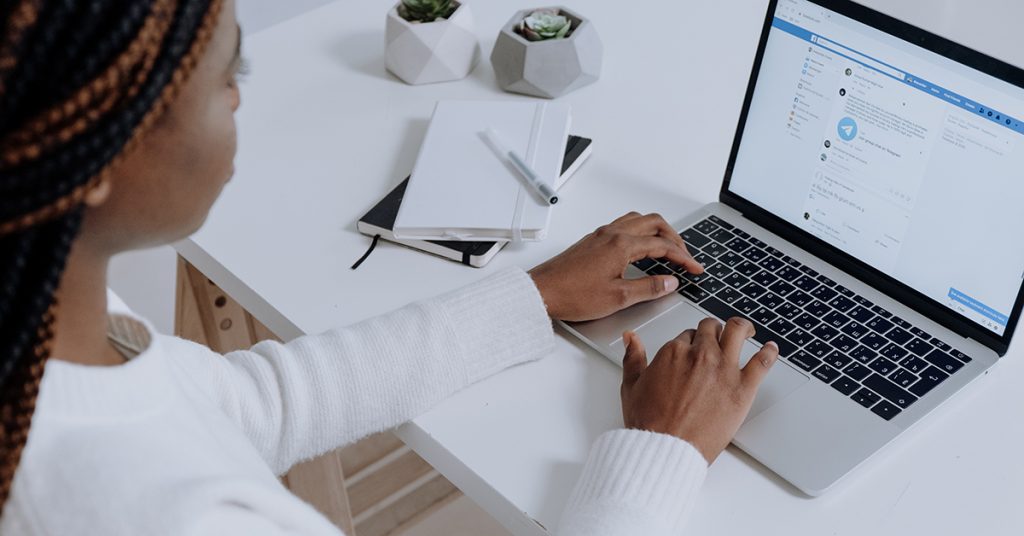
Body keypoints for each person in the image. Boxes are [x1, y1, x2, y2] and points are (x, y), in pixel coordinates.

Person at [0, 1, 779, 534]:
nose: (239, 102)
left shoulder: (47, 334)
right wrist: (662, 452)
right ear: (86, 151)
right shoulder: (168, 515)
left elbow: (249, 401)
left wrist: (533, 295)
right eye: (225, 77)